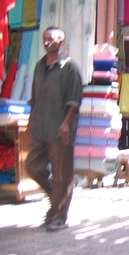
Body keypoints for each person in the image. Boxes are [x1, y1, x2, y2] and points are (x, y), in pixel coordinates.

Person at [26, 26, 83, 232]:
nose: (46, 42)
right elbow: (35, 98)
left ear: (61, 41)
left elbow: (74, 100)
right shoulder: (40, 66)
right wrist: (31, 122)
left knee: (62, 174)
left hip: (61, 129)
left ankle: (59, 215)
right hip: (41, 127)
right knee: (32, 167)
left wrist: (66, 122)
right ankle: (56, 196)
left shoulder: (69, 68)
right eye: (44, 39)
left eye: (50, 39)